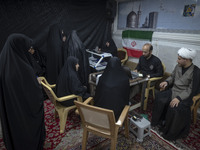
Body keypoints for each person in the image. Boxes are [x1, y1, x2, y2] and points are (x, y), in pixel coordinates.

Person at [0, 33, 46, 150]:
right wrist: (37, 84)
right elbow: (33, 94)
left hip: (11, 111)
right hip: (25, 114)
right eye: (26, 48)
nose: (29, 51)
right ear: (19, 47)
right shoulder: (22, 68)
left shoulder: (4, 61)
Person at [151, 47, 200, 141]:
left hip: (184, 96)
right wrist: (167, 82)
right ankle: (158, 121)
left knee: (175, 108)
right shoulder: (178, 66)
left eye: (179, 59)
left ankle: (169, 132)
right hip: (173, 90)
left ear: (187, 60)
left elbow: (191, 90)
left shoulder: (196, 72)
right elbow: (172, 77)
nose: (177, 60)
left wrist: (179, 98)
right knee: (160, 97)